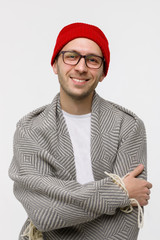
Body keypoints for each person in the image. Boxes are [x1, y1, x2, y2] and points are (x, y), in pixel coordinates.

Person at [9, 22, 152, 240]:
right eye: (71, 56)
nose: (81, 67)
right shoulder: (30, 129)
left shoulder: (128, 126)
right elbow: (43, 214)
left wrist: (67, 203)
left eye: (93, 60)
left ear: (103, 72)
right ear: (55, 64)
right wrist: (119, 192)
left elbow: (127, 220)